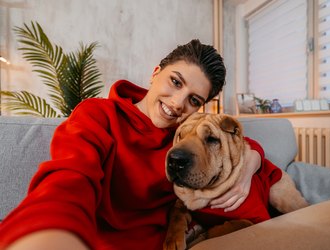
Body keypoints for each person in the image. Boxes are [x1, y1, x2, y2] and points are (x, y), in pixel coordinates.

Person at [0, 39, 267, 250]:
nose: (177, 103)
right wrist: (46, 233)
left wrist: (250, 164)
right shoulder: (98, 115)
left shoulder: (186, 135)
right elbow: (68, 181)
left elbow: (239, 142)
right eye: (175, 82)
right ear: (155, 73)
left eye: (194, 100)